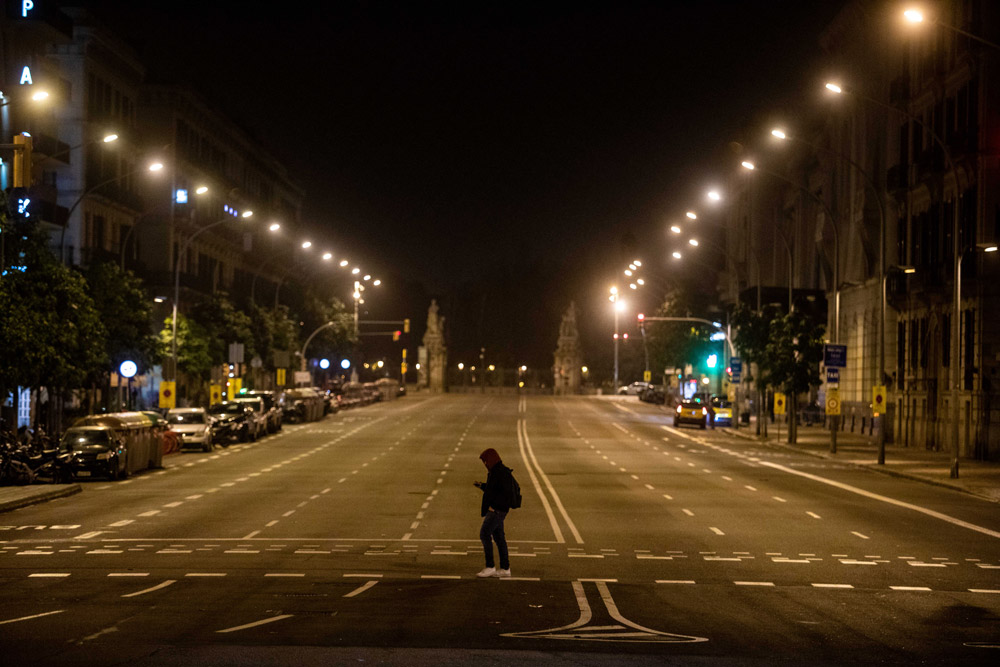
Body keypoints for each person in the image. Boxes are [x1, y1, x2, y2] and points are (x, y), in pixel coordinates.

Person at [473, 447, 512, 578]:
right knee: (499, 537)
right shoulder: (497, 471)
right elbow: (493, 490)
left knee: (484, 534)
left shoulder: (498, 473)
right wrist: (482, 486)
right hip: (498, 510)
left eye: (485, 461)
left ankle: (490, 566)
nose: (484, 464)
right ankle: (505, 568)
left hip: (496, 511)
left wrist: (494, 507)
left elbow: (503, 493)